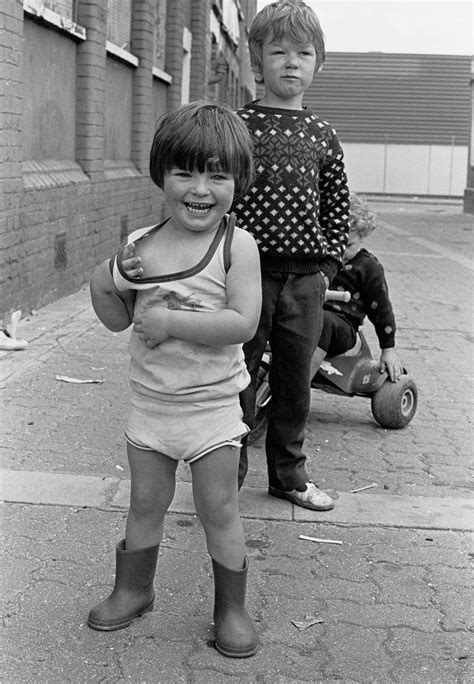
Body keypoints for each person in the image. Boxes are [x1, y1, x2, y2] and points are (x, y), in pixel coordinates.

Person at [88, 102, 261, 658]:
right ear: (162, 173)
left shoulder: (237, 245)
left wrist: (169, 320)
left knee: (219, 509)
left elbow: (242, 322)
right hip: (151, 408)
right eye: (185, 171)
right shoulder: (140, 245)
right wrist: (105, 278)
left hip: (212, 411)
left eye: (217, 174)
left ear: (239, 181)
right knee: (145, 504)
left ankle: (230, 608)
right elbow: (117, 319)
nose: (200, 188)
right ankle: (134, 589)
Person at [233, 0, 350, 510]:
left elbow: (337, 206)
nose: (291, 61)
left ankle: (288, 476)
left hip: (305, 280)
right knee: (237, 374)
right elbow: (220, 194)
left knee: (294, 381)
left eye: (304, 52)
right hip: (245, 276)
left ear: (318, 62)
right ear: (256, 59)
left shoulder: (322, 134)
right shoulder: (237, 127)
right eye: (278, 51)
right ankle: (225, 475)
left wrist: (325, 270)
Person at [310, 193, 403, 382]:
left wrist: (388, 350)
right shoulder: (321, 258)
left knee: (325, 322)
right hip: (310, 315)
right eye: (334, 243)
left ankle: (297, 388)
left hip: (341, 326)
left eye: (349, 244)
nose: (340, 251)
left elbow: (381, 309)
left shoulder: (368, 267)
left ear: (362, 236)